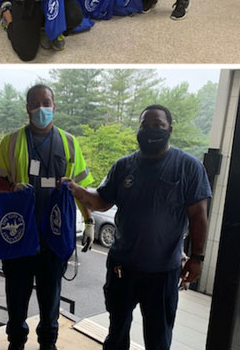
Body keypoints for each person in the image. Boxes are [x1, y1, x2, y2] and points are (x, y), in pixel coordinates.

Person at [66, 105, 212, 350]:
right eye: (146, 125)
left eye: (158, 126)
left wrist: (197, 258)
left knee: (158, 339)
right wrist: (79, 191)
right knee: (116, 333)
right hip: (122, 268)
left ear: (170, 129)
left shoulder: (189, 166)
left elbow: (198, 215)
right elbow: (102, 200)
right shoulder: (124, 166)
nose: (151, 130)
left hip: (163, 272)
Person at [0, 84, 94, 350]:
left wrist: (90, 221)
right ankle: (16, 342)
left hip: (54, 238)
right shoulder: (11, 141)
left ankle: (48, 343)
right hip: (20, 238)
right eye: (34, 103)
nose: (40, 108)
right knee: (17, 298)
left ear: (54, 106)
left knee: (51, 298)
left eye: (45, 102)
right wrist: (11, 186)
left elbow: (81, 189)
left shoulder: (70, 143)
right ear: (27, 108)